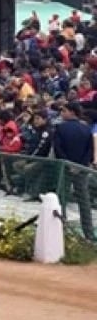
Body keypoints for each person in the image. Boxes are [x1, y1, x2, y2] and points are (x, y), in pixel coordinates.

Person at [53, 101, 94, 240]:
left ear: (72, 112)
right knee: (84, 200)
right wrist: (80, 165)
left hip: (64, 167)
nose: (61, 113)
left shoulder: (60, 128)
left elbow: (58, 148)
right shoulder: (86, 129)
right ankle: (88, 232)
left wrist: (67, 163)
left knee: (61, 199)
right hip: (81, 169)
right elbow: (90, 151)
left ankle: (60, 228)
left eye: (64, 111)